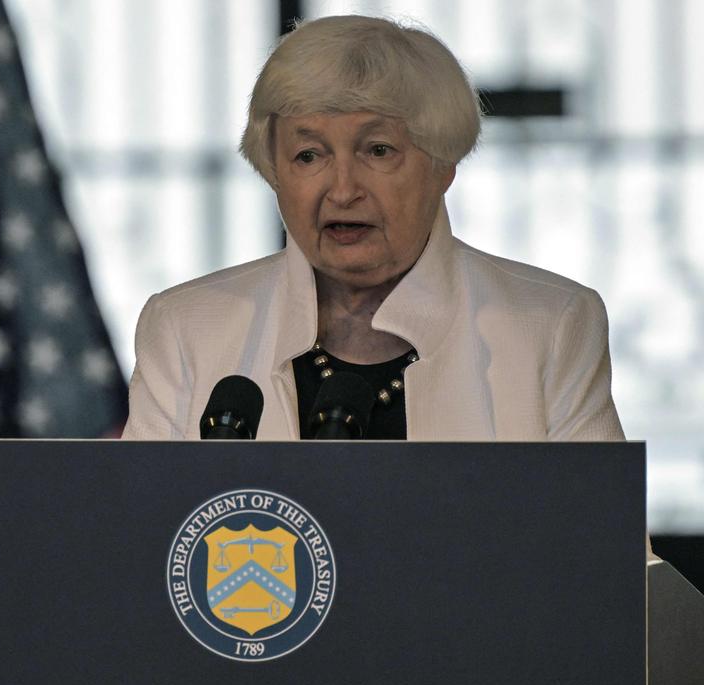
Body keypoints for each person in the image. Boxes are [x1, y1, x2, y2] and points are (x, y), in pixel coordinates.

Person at [121, 15, 624, 442]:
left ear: (442, 163)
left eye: (378, 150)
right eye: (308, 155)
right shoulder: (186, 328)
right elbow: (138, 537)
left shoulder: (551, 325)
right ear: (273, 171)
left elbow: (605, 545)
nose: (342, 190)